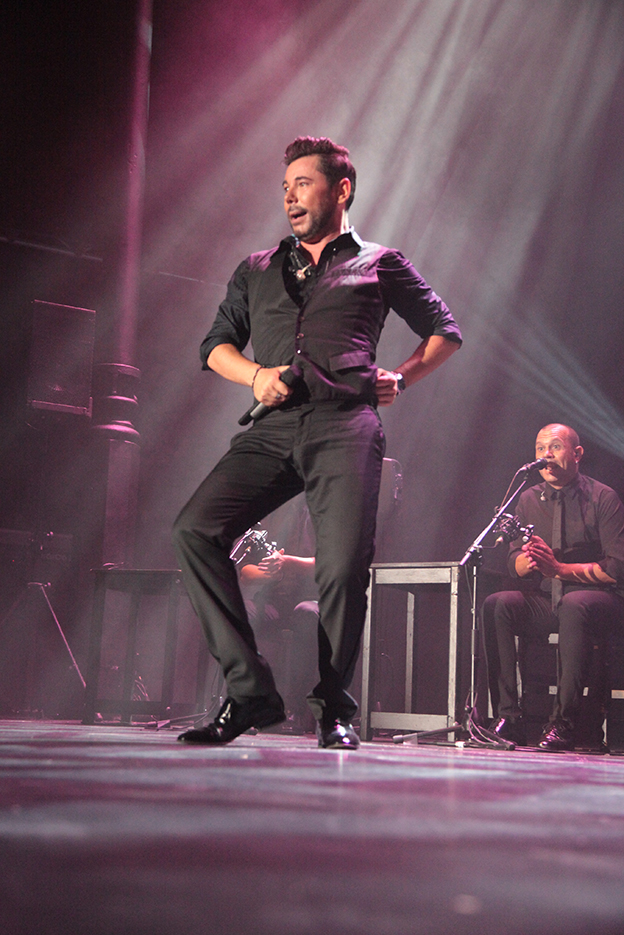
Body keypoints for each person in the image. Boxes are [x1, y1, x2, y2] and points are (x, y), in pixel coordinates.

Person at [172, 135, 461, 749]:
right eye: (285, 187)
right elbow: (214, 347)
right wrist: (256, 375)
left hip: (345, 424)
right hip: (274, 426)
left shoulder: (381, 262)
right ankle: (251, 692)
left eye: (302, 184)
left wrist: (401, 377)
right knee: (195, 529)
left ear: (341, 189)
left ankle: (334, 709)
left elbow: (445, 330)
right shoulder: (255, 268)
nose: (290, 197)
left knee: (343, 567)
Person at [482, 423, 624, 751]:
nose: (546, 455)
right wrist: (530, 559)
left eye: (555, 447)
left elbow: (617, 568)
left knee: (575, 605)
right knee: (497, 604)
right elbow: (514, 563)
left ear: (577, 454)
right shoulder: (528, 498)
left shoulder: (603, 497)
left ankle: (564, 722)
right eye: (540, 448)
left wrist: (559, 569)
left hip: (599, 600)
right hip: (549, 599)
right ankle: (508, 718)